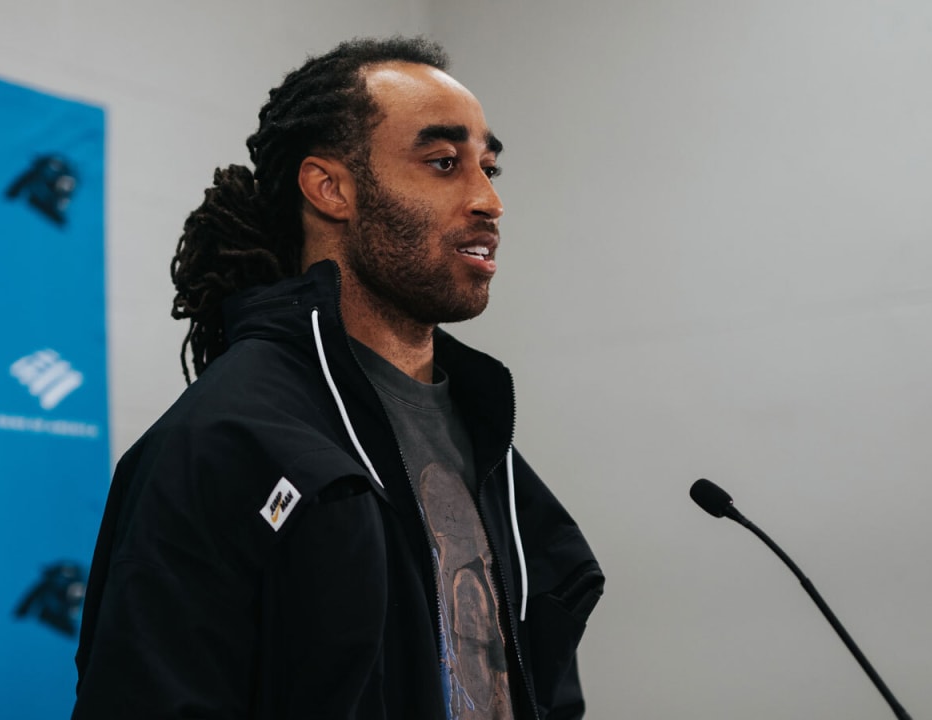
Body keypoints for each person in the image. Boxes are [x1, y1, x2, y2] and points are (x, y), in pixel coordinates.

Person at [72, 36, 604, 720]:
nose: (488, 200)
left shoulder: (485, 435)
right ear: (332, 189)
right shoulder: (221, 441)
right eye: (444, 163)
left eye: (489, 166)